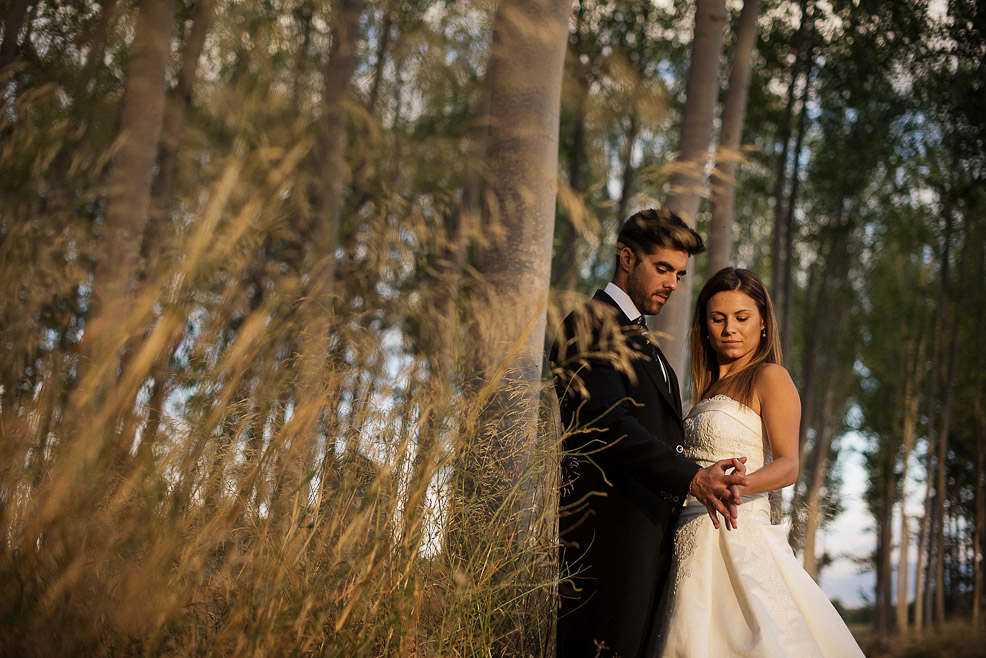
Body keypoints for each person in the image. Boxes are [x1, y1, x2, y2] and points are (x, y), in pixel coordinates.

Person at [549, 209, 749, 658]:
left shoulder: (643, 338)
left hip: (654, 539)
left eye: (679, 274)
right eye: (662, 269)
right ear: (626, 258)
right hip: (608, 540)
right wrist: (694, 478)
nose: (672, 284)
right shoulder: (589, 323)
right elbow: (605, 424)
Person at [656, 267, 864, 657]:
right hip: (688, 537)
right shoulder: (703, 391)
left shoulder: (770, 377)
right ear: (703, 326)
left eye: (741, 317)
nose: (729, 329)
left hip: (736, 533)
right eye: (717, 319)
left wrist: (736, 485)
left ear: (764, 323)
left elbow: (788, 464)